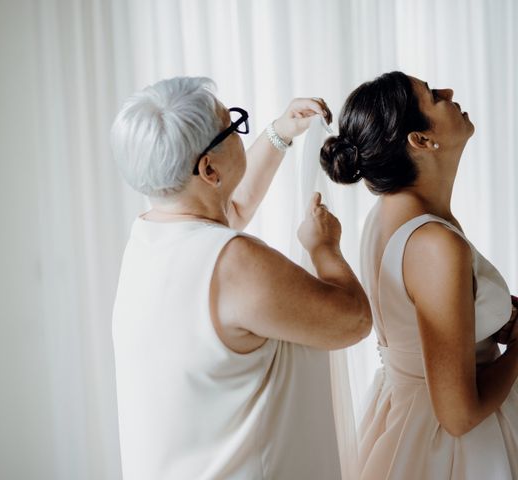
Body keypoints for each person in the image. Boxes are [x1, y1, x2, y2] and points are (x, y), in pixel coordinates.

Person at [110, 76, 372, 479]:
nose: (239, 131)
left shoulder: (149, 238)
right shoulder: (234, 262)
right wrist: (325, 249)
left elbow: (226, 211)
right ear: (209, 167)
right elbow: (352, 321)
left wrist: (279, 132)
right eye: (232, 126)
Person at [320, 71, 518, 479]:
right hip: (453, 452)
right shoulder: (432, 244)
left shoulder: (391, 213)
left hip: (405, 417)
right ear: (421, 140)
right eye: (433, 95)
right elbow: (459, 416)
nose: (448, 92)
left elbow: (419, 324)